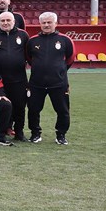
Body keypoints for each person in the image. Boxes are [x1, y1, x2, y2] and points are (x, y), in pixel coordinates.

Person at [26, 12, 74, 145]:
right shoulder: (32, 41)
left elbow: (70, 59)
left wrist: (59, 70)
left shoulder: (65, 40)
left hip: (59, 83)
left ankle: (61, 135)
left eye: (49, 22)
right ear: (40, 24)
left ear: (56, 23)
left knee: (63, 111)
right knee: (33, 110)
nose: (46, 25)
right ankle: (35, 134)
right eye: (44, 23)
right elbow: (29, 58)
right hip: (36, 83)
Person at [0, 11, 30, 142]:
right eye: (2, 21)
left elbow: (28, 55)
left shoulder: (23, 35)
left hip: (19, 79)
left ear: (14, 21)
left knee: (19, 106)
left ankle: (19, 132)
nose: (5, 23)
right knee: (1, 106)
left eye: (8, 20)